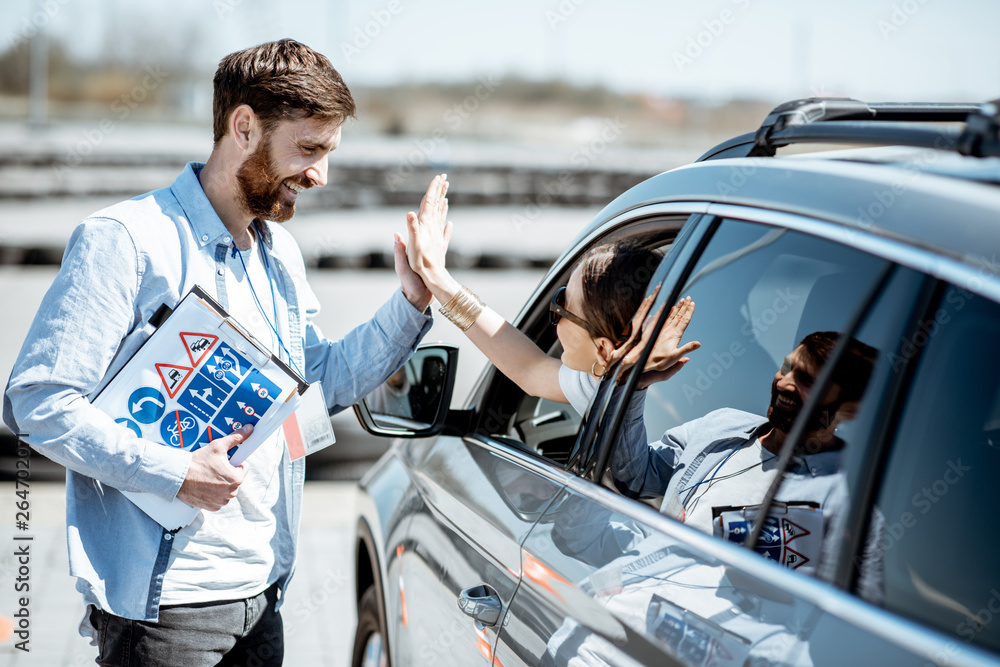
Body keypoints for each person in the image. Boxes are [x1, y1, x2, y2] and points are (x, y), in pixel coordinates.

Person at [2, 39, 437, 666]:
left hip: (263, 597)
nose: (320, 175)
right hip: (166, 614)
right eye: (308, 149)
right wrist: (175, 474)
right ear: (243, 127)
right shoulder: (126, 241)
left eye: (328, 153)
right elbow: (38, 402)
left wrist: (413, 301)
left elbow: (318, 383)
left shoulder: (279, 255)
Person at [401, 175, 701, 408]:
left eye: (561, 305)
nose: (552, 318)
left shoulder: (611, 390)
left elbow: (530, 369)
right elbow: (529, 369)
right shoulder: (613, 382)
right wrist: (435, 276)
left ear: (604, 350)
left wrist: (435, 275)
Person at [608, 330, 877, 575]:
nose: (784, 383)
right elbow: (636, 477)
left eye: (807, 381)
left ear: (850, 409)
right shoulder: (721, 426)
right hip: (640, 599)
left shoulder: (850, 504)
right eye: (786, 367)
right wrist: (635, 385)